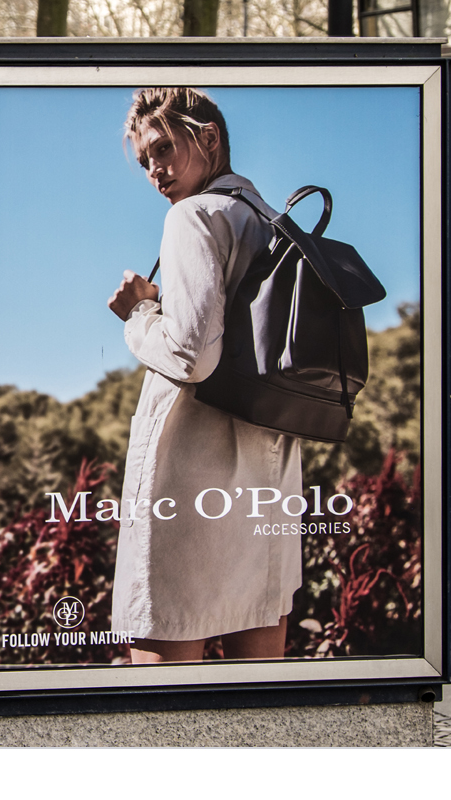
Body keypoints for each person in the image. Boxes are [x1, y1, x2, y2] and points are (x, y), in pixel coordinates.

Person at [105, 87, 301, 664]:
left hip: (190, 481)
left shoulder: (192, 216)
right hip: (267, 475)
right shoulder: (267, 219)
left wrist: (139, 313)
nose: (154, 170)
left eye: (163, 149)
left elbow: (193, 358)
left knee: (163, 699)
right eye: (144, 161)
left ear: (208, 138)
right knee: (257, 680)